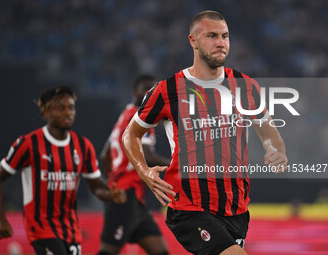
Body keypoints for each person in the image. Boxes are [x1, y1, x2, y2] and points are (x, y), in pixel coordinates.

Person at [122, 10, 288, 255]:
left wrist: (277, 151)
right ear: (193, 40)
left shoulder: (245, 86)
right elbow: (131, 134)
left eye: (225, 36)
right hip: (189, 207)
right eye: (212, 36)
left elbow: (269, 133)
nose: (221, 42)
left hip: (237, 209)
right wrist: (144, 171)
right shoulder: (167, 90)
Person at [0, 86, 126, 255]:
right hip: (40, 227)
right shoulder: (28, 144)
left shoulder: (83, 146)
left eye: (71, 107)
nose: (68, 112)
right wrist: (0, 219)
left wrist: (110, 195)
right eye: (61, 108)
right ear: (47, 112)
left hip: (70, 229)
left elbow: (95, 185)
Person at [98, 75, 170, 255]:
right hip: (125, 195)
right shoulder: (139, 118)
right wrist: (179, 164)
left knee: (160, 251)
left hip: (134, 197)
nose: (148, 94)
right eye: (145, 90)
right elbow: (147, 156)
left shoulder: (124, 115)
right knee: (108, 251)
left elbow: (105, 156)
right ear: (134, 92)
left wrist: (112, 180)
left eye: (152, 91)